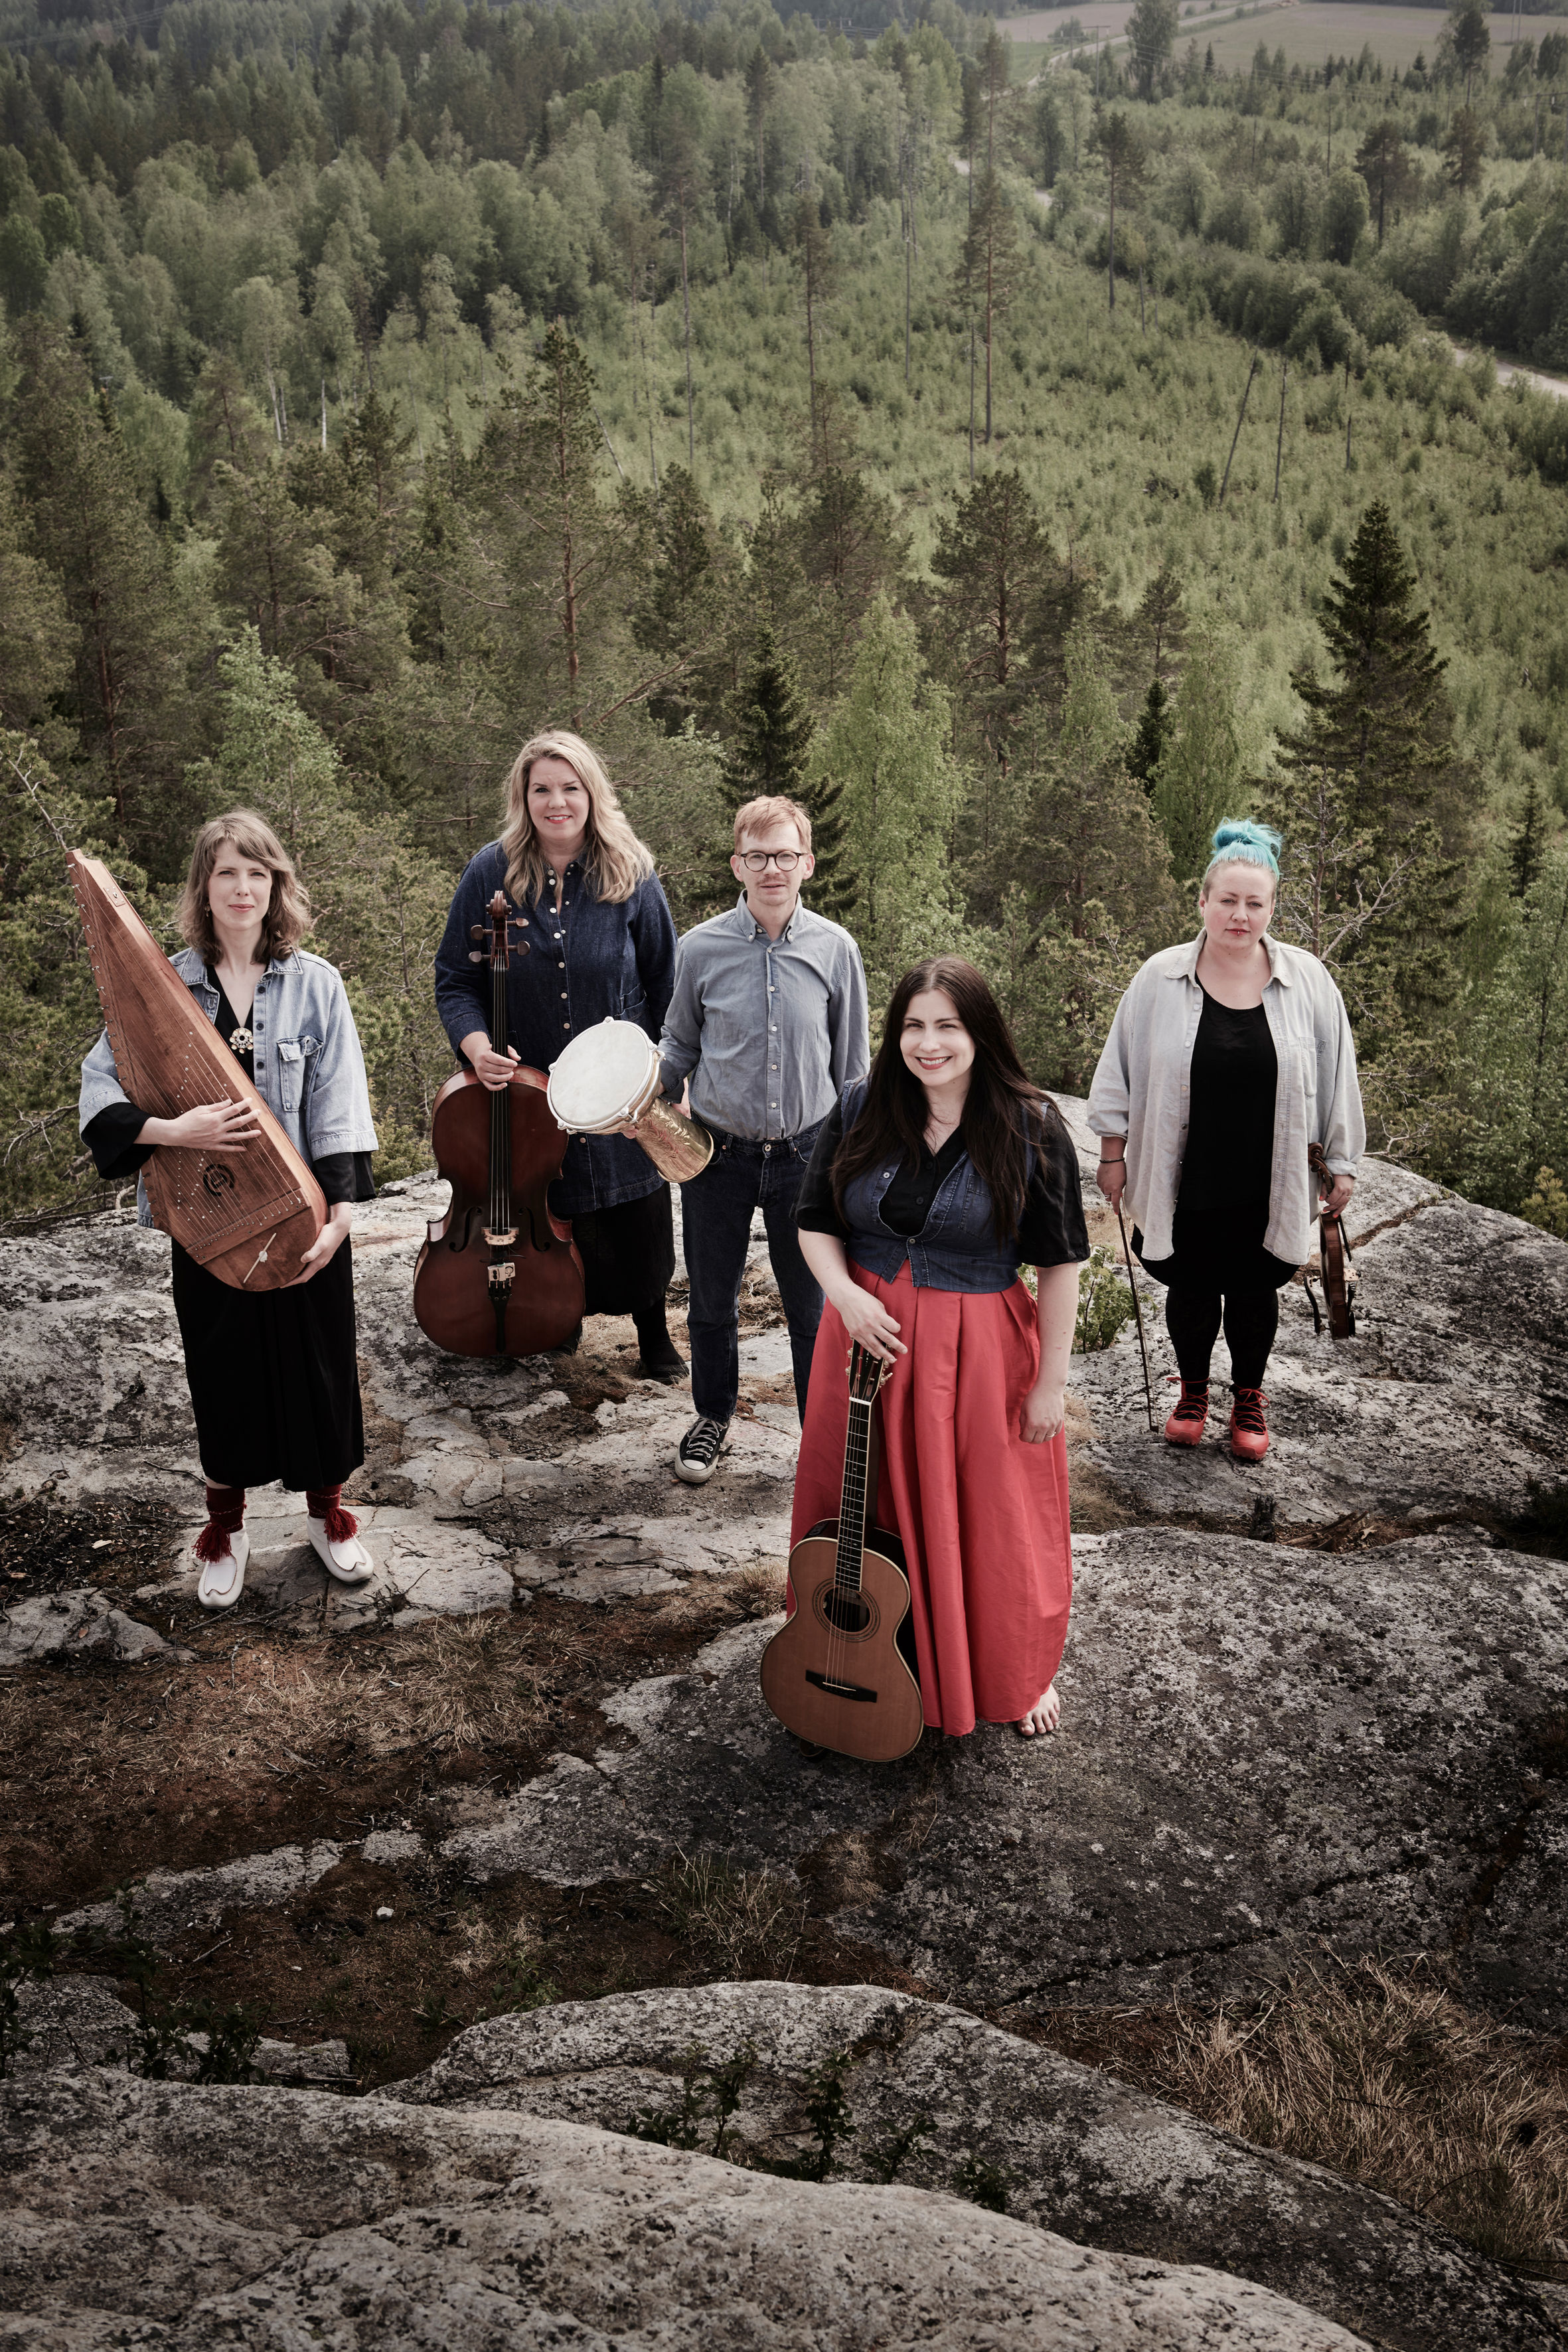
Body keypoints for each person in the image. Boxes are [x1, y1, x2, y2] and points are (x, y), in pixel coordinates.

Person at [78, 811, 380, 1612]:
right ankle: (227, 1531)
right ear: (203, 890)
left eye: (258, 873)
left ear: (276, 885)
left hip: (306, 1218)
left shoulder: (315, 982)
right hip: (208, 1226)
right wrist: (173, 1131)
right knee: (224, 1373)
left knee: (320, 1372)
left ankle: (329, 1517)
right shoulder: (163, 987)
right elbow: (99, 1085)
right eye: (226, 874)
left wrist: (342, 1212)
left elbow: (340, 1097)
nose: (243, 888)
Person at [793, 956, 1088, 1741]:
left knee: (990, 1520)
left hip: (978, 1351)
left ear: (979, 1034)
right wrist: (848, 1296)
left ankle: (1009, 1672)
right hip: (860, 1345)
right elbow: (814, 1219)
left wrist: (1049, 1385)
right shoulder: (861, 1105)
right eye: (913, 1027)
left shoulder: (1031, 1125)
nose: (928, 1044)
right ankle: (854, 1657)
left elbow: (1060, 1265)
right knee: (861, 1504)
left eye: (947, 1027)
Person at [1088, 819, 1365, 1462]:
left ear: (1271, 905)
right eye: (1228, 901)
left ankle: (1247, 1396)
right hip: (1182, 1170)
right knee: (1188, 1282)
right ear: (1203, 902)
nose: (1240, 916)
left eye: (1255, 903)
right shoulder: (1158, 979)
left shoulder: (1307, 981)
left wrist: (1342, 1162)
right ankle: (1191, 1392)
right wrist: (1110, 1156)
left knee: (1250, 1286)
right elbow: (1116, 1072)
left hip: (1265, 1174)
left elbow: (1337, 1072)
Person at [433, 730, 682, 1379]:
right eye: (541, 788)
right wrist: (478, 1046)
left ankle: (653, 1335)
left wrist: (667, 1075)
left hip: (624, 1085)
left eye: (570, 787)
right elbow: (455, 979)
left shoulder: (632, 872)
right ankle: (559, 1317)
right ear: (523, 797)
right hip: (535, 1090)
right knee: (554, 1201)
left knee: (637, 1210)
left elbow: (666, 983)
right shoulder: (492, 871)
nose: (556, 801)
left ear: (591, 794)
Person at [655, 794, 869, 1484]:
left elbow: (853, 1070)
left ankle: (819, 1435)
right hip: (716, 1155)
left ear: (806, 863)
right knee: (711, 1300)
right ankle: (711, 1417)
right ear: (736, 865)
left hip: (808, 1156)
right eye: (757, 856)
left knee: (809, 1308)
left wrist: (858, 1165)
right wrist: (619, 1091)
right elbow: (678, 1048)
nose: (771, 868)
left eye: (784, 855)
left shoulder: (836, 950)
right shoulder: (699, 950)